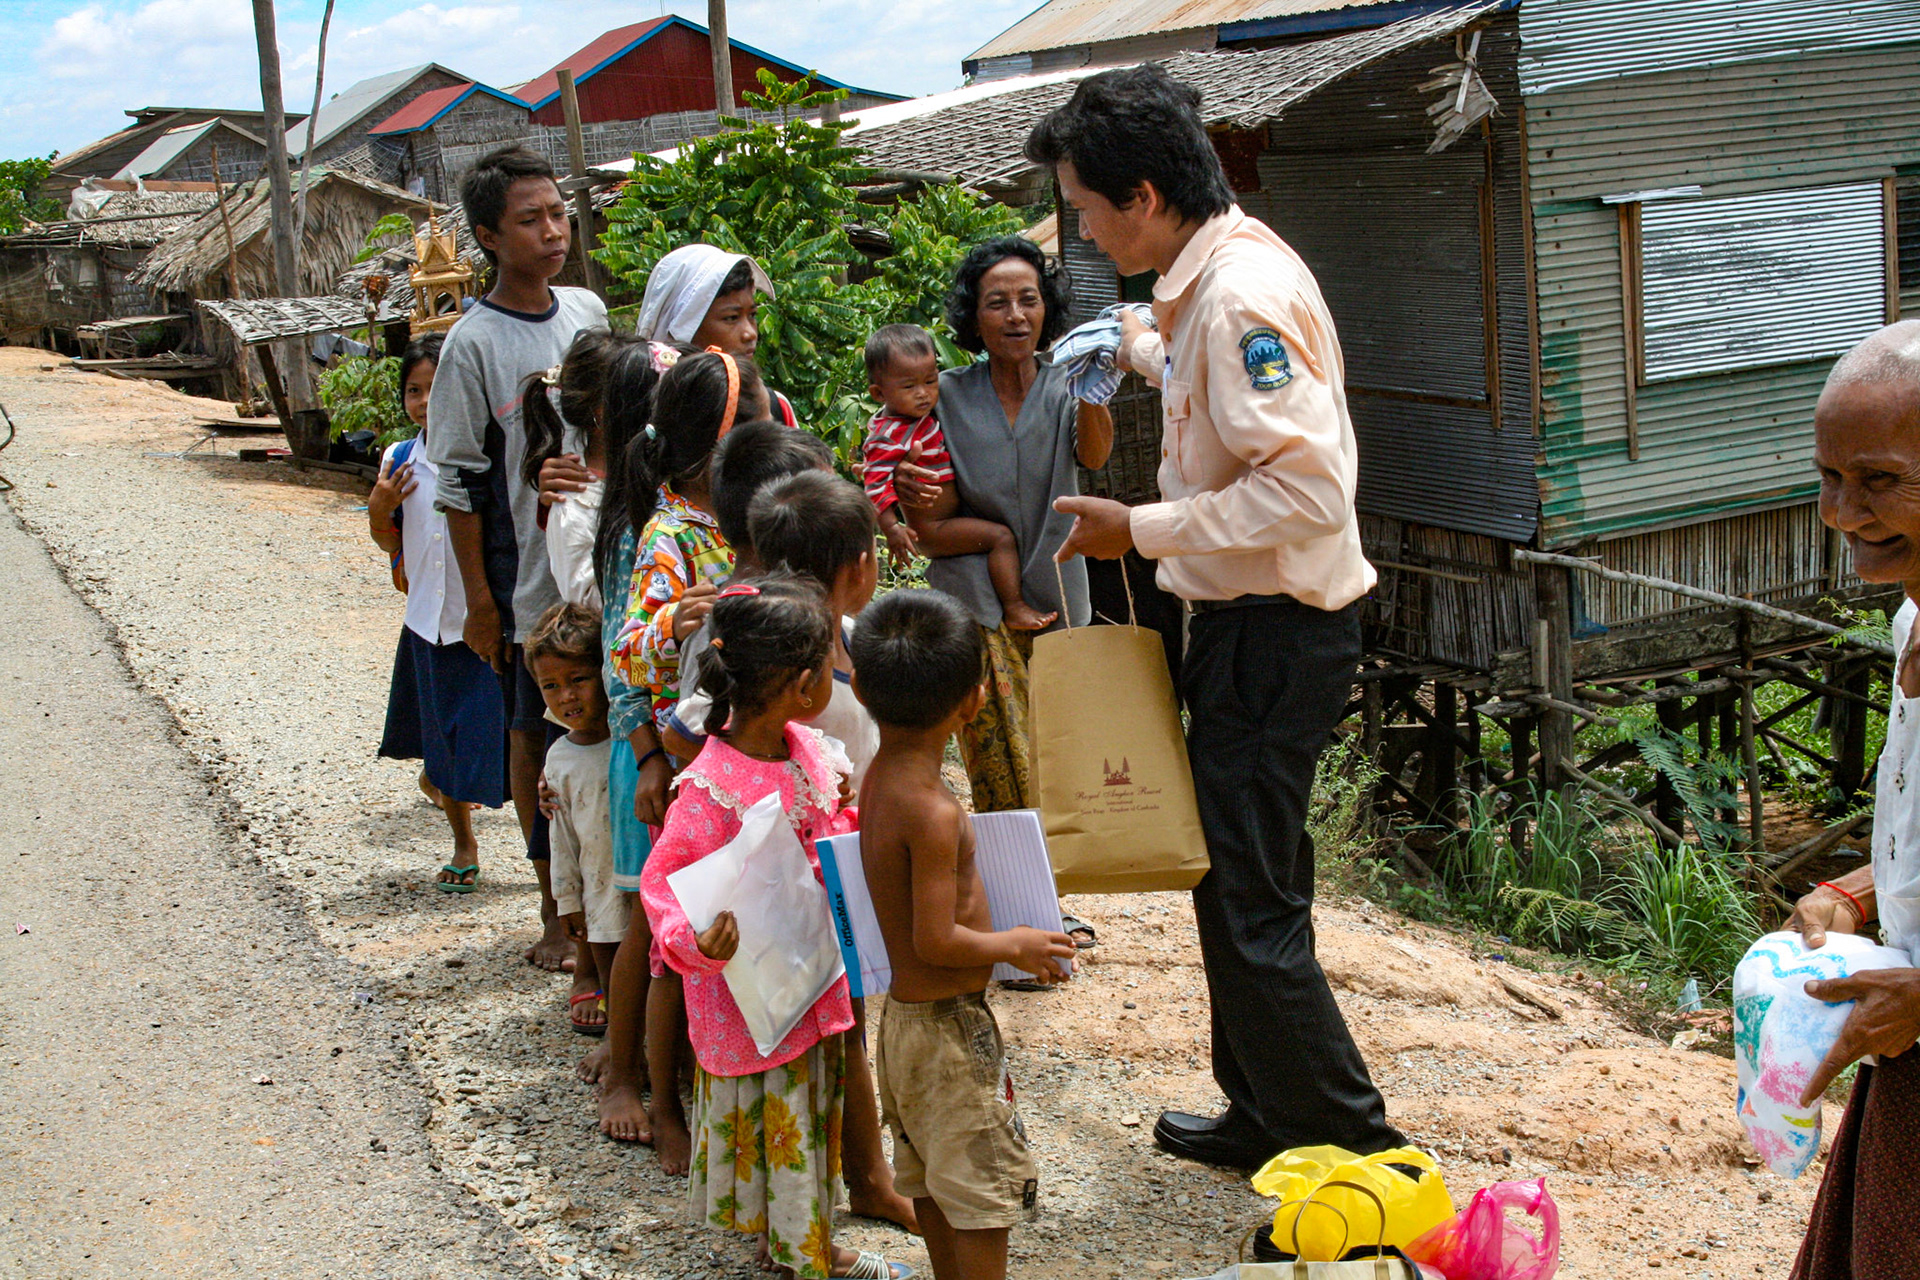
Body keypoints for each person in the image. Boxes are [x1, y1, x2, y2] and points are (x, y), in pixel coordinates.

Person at [1030, 64, 1402, 1165]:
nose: (1087, 232)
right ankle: (1264, 1112)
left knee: (1252, 902)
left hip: (1274, 633)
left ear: (1142, 195)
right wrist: (1138, 342)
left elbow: (1306, 489)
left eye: (1090, 211)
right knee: (1232, 878)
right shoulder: (1210, 281)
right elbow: (1200, 375)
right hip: (1249, 627)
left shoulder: (1239, 300)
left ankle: (1358, 1153)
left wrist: (1135, 529)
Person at [639, 576, 911, 1280]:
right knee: (787, 1119)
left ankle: (788, 1241)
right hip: (757, 998)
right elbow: (663, 884)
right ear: (801, 683)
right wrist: (691, 945)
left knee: (805, 1111)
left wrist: (841, 814)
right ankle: (806, 1255)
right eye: (829, 666)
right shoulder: (708, 788)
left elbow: (827, 840)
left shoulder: (809, 752)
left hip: (809, 977)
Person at [853, 589, 1076, 1280]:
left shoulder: (878, 781)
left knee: (932, 1184)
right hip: (950, 1033)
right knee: (981, 1194)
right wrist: (1018, 943)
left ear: (858, 689)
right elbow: (937, 941)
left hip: (901, 1028)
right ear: (975, 699)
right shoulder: (932, 810)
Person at [427, 144, 609, 973]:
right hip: (525, 582)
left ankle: (607, 903)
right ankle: (553, 910)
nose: (552, 232)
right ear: (488, 237)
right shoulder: (471, 344)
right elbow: (459, 483)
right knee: (537, 732)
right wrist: (481, 602)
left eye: (558, 214)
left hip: (596, 563)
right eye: (530, 220)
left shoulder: (587, 315)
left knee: (602, 730)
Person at [606, 348, 766, 1169]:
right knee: (668, 938)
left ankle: (713, 1079)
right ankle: (645, 1090)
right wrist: (673, 621)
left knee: (720, 932)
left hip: (743, 762)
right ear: (721, 446)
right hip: (691, 762)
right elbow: (626, 651)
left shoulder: (737, 521)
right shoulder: (669, 533)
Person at [891, 237, 1113, 814]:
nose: (1016, 316)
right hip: (973, 600)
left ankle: (1053, 894)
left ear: (1047, 309)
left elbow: (1092, 457)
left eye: (1028, 300)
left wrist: (1094, 391)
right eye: (997, 303)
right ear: (974, 316)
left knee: (1062, 762)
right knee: (994, 764)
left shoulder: (1067, 384)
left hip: (1060, 592)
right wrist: (904, 481)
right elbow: (899, 452)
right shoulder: (947, 394)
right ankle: (1015, 893)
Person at [1788, 320, 1920, 1280]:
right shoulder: (1913, 614)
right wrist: (1860, 894)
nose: (1842, 512)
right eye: (1832, 478)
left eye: (1879, 480)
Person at [577, 341, 678, 1126]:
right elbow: (622, 654)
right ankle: (620, 1072)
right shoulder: (632, 530)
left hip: (673, 747)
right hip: (642, 749)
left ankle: (657, 1060)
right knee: (644, 921)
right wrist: (645, 752)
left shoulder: (679, 514)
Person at [368, 335, 507, 892]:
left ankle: (537, 848)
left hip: (482, 618)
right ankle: (464, 843)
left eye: (435, 388)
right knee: (445, 736)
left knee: (499, 732)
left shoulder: (483, 457)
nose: (425, 402)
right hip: (427, 620)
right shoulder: (400, 462)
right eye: (413, 391)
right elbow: (387, 542)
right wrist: (381, 509)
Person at [862, 324, 1050, 629]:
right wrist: (892, 528)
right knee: (1000, 538)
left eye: (931, 381)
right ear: (878, 393)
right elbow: (874, 483)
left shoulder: (924, 416)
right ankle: (1014, 606)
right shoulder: (887, 436)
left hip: (947, 518)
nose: (923, 394)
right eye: (909, 387)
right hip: (932, 527)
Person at [524, 603, 623, 1037]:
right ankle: (619, 1035)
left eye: (578, 680)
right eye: (550, 686)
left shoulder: (634, 741)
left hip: (638, 880)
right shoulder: (560, 759)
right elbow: (561, 838)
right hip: (597, 888)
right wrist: (566, 901)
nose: (566, 696)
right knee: (609, 969)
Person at [522, 329, 629, 610]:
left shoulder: (658, 469)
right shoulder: (573, 499)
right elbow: (585, 600)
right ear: (601, 410)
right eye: (640, 393)